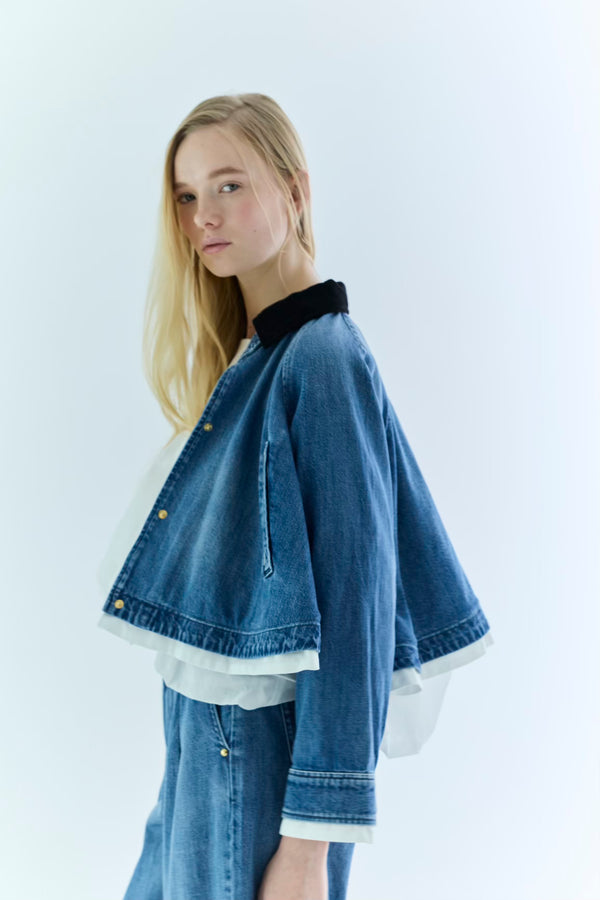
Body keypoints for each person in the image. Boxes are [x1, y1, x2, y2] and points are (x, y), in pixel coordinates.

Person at [96, 92, 494, 900]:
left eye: (229, 185)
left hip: (251, 753)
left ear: (295, 189)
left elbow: (355, 614)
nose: (204, 216)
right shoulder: (253, 357)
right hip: (201, 745)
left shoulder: (324, 360)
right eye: (187, 195)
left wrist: (311, 846)